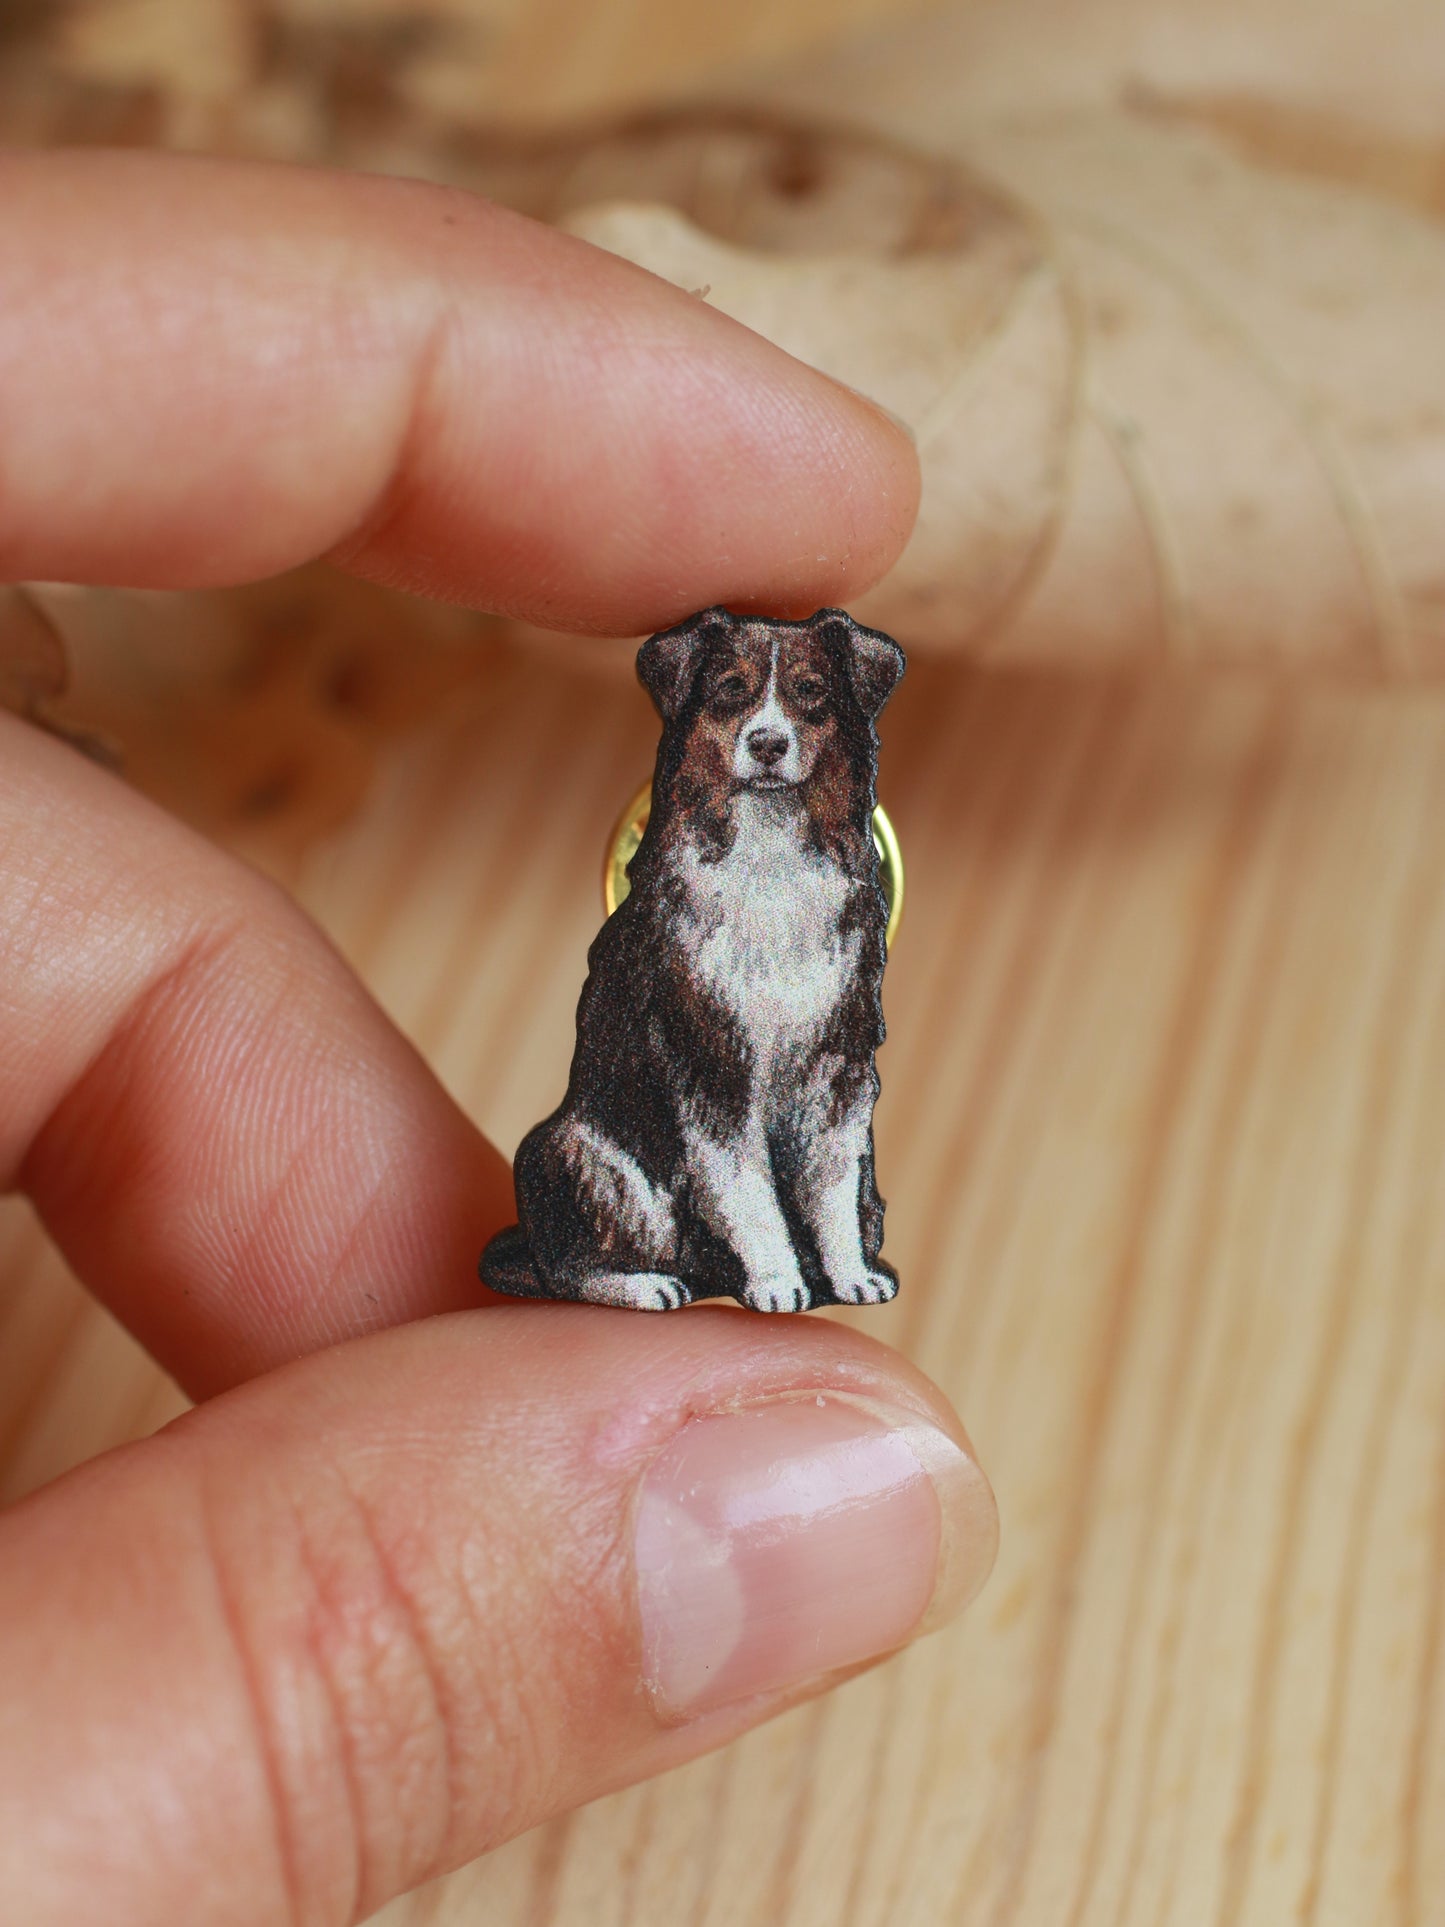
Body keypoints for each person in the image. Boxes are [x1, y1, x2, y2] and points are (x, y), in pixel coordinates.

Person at [0, 148, 998, 1925]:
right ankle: (663, 1257)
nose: (769, 734)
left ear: (846, 719)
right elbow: (698, 1096)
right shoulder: (676, 896)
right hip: (622, 1181)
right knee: (639, 1143)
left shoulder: (838, 884)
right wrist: (750, 1271)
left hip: (772, 1175)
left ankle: (810, 1242)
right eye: (738, 705)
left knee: (827, 1118)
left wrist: (829, 1248)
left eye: (801, 708)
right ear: (693, 715)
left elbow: (829, 1082)